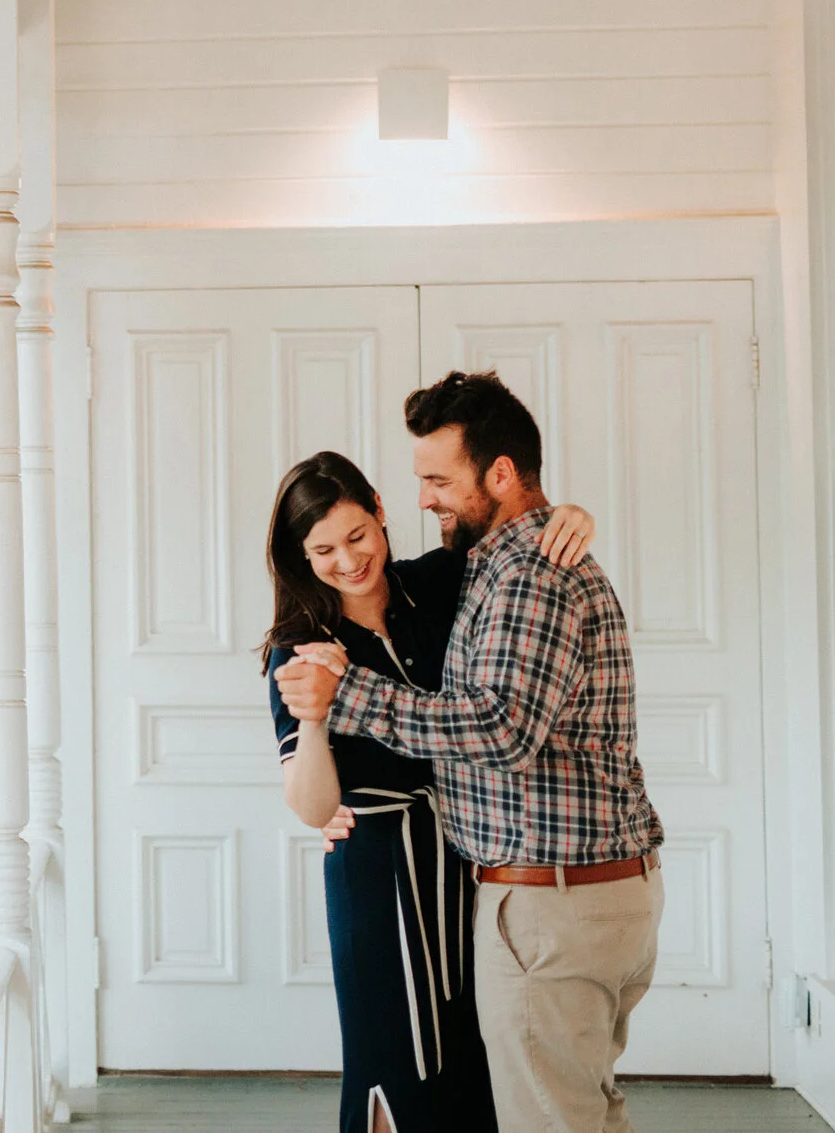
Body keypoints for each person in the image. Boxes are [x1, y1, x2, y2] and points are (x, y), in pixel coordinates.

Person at [277, 372, 664, 1133]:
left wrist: (346, 697)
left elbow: (501, 731)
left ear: (499, 475)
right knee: (559, 1102)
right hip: (452, 887)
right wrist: (324, 769)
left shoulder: (499, 576)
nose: (427, 498)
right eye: (322, 547)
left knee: (547, 1111)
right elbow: (311, 788)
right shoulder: (474, 570)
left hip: (543, 899)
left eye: (436, 480)